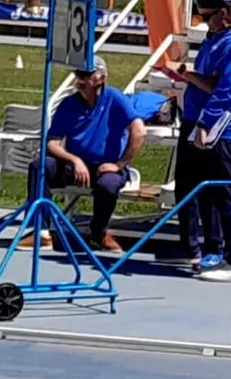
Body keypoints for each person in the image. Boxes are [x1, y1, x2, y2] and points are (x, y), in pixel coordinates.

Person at [165, 0, 231, 283]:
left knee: (227, 196)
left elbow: (227, 89)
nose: (229, 16)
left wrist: (205, 123)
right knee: (228, 195)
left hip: (228, 129)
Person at [30, 56, 146, 251]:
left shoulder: (115, 98)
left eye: (85, 75)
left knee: (108, 184)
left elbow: (139, 130)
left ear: (101, 78)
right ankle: (40, 231)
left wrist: (119, 164)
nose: (79, 81)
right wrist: (75, 160)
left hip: (106, 166)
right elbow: (52, 142)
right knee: (40, 165)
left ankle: (98, 233)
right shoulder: (68, 104)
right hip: (76, 166)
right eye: (77, 74)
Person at [162, 0, 231, 271]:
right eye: (202, 16)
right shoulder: (210, 39)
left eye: (210, 16)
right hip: (192, 118)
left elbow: (216, 86)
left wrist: (186, 75)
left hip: (210, 122)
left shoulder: (230, 44)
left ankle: (214, 247)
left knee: (207, 189)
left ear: (224, 13)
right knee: (185, 185)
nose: (206, 21)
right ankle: (190, 246)